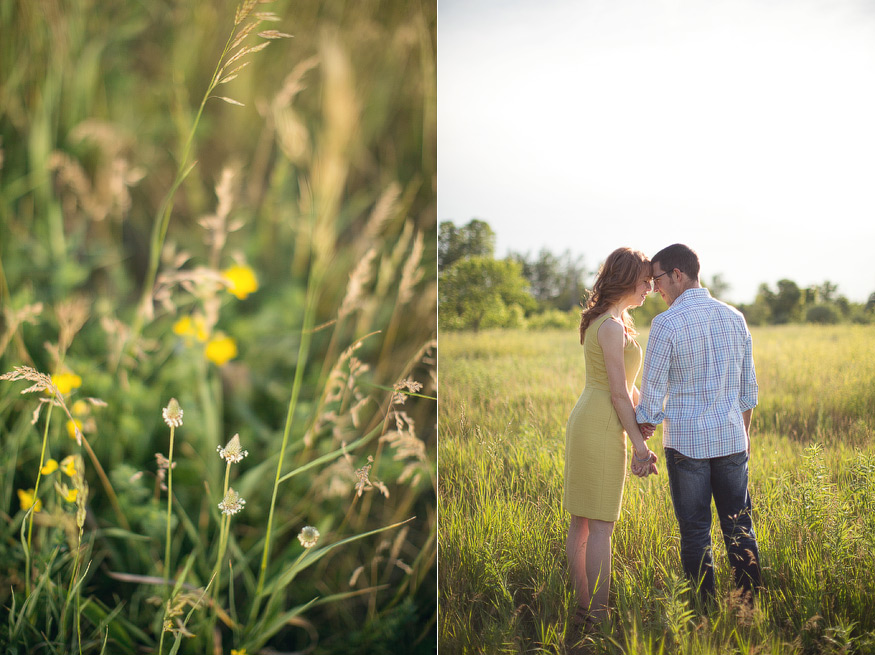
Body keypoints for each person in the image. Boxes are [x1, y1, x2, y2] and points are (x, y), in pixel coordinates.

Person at [636, 243, 762, 607]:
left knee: (694, 533)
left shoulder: (666, 323)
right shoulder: (734, 317)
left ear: (677, 274)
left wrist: (641, 426)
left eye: (656, 278)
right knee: (739, 528)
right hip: (731, 441)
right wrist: (744, 436)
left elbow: (651, 397)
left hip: (687, 446)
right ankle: (750, 607)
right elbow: (748, 391)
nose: (654, 287)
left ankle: (702, 612)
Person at [564, 247, 658, 631]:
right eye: (645, 280)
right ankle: (598, 618)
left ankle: (584, 610)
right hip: (600, 425)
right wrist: (640, 444)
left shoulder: (610, 320)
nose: (650, 288)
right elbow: (617, 393)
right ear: (626, 278)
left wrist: (643, 417)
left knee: (583, 521)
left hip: (592, 417)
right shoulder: (611, 325)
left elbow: (626, 388)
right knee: (600, 523)